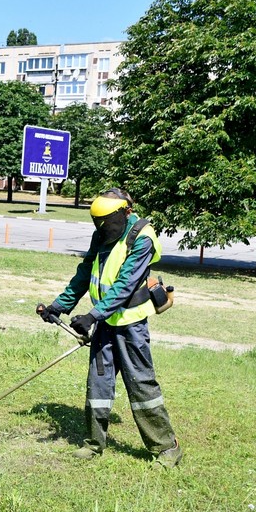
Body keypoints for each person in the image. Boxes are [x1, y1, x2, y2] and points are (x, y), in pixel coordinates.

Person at [36, 188, 181, 468]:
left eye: (109, 223)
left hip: (130, 324)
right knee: (99, 383)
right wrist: (59, 305)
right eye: (99, 223)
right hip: (105, 322)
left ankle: (166, 448)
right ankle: (94, 443)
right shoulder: (101, 234)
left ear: (126, 213)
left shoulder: (143, 238)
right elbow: (85, 272)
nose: (104, 229)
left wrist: (92, 315)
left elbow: (125, 285)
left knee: (141, 384)